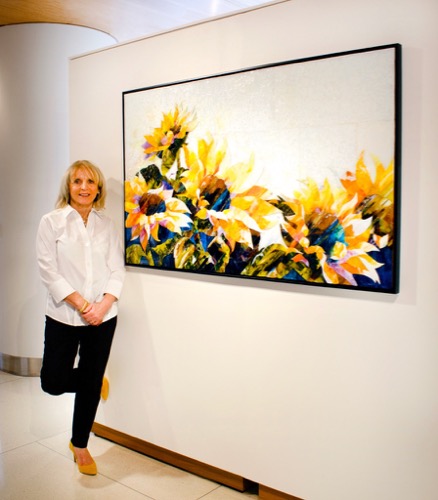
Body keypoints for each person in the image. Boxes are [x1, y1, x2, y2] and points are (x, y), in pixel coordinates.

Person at [36, 160, 125, 475]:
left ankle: (80, 444)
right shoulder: (52, 222)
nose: (84, 187)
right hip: (64, 315)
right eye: (77, 181)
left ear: (98, 187)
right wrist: (82, 305)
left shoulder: (107, 224)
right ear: (68, 186)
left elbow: (117, 269)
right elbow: (48, 270)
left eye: (90, 181)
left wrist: (102, 306)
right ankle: (91, 381)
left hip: (103, 317)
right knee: (53, 382)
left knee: (88, 381)